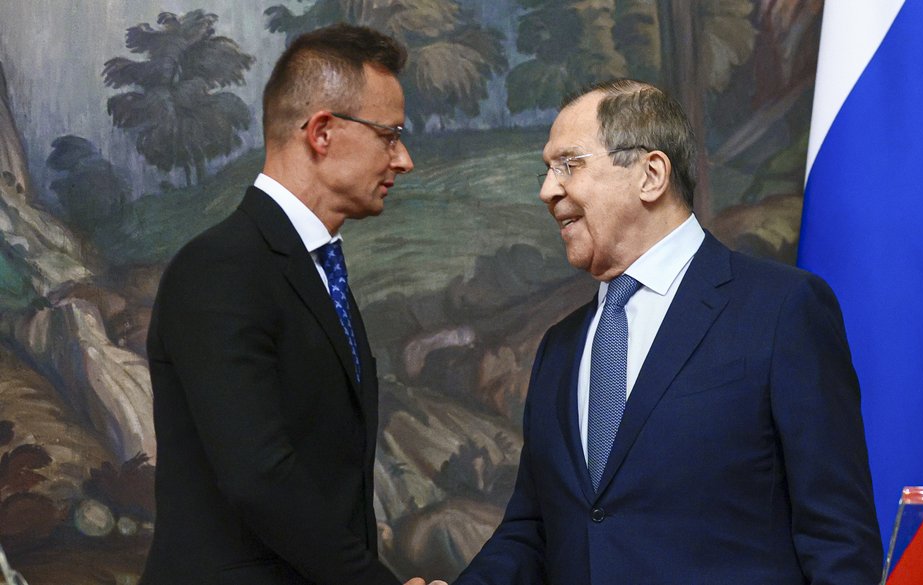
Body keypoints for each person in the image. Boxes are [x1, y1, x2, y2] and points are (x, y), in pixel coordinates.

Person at [452, 79, 884, 584]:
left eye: (569, 164)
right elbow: (534, 531)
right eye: (547, 170)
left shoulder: (782, 310)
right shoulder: (560, 347)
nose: (547, 190)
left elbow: (838, 540)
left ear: (651, 175)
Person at [142, 24, 429, 585]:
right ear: (322, 132)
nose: (404, 159)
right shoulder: (221, 267)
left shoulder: (312, 266)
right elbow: (260, 476)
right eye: (389, 135)